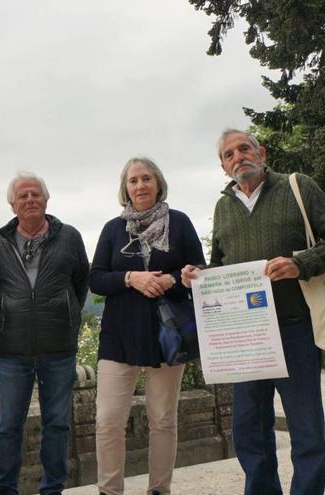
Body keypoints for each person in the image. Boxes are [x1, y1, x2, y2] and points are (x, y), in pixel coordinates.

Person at [181, 130, 325, 495]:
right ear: (224, 166)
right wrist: (199, 276)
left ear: (261, 152)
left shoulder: (297, 186)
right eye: (229, 154)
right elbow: (220, 264)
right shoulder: (222, 206)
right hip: (245, 335)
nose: (238, 156)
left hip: (294, 326)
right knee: (248, 429)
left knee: (305, 427)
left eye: (244, 148)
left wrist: (300, 263)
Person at [88, 157, 205, 495]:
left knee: (163, 420)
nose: (140, 186)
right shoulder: (113, 229)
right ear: (125, 188)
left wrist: (171, 279)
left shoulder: (179, 222)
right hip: (119, 336)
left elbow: (198, 269)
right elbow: (96, 279)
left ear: (158, 184)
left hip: (167, 336)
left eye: (146, 179)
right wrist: (131, 278)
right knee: (108, 421)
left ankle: (159, 490)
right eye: (133, 180)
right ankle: (109, 491)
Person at [0, 172, 90, 495]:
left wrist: (65, 314)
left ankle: (53, 487)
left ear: (46, 199)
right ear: (13, 205)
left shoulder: (69, 236)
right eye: (23, 196)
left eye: (35, 195)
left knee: (56, 424)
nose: (30, 200)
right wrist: (10, 313)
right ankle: (5, 488)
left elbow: (80, 282)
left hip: (58, 347)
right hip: (12, 350)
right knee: (8, 426)